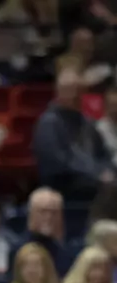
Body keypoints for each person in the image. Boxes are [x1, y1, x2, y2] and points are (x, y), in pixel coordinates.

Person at [33, 67, 114, 199]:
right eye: (71, 90)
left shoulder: (87, 122)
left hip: (95, 187)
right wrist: (97, 174)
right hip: (65, 190)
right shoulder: (48, 123)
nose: (76, 95)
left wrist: (108, 170)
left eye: (79, 91)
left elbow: (103, 154)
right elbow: (60, 163)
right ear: (59, 92)